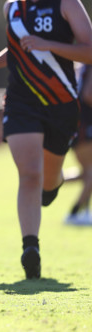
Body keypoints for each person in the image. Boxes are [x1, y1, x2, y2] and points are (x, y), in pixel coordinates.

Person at [0, 0, 92, 278]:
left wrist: (51, 45)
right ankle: (31, 246)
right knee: (28, 173)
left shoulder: (66, 3)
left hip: (61, 104)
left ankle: (53, 187)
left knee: (48, 180)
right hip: (21, 101)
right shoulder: (12, 9)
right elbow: (18, 49)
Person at [64, 64, 92, 226]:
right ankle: (75, 212)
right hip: (85, 126)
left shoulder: (81, 67)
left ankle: (50, 181)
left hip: (78, 125)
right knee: (90, 173)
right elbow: (89, 95)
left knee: (87, 174)